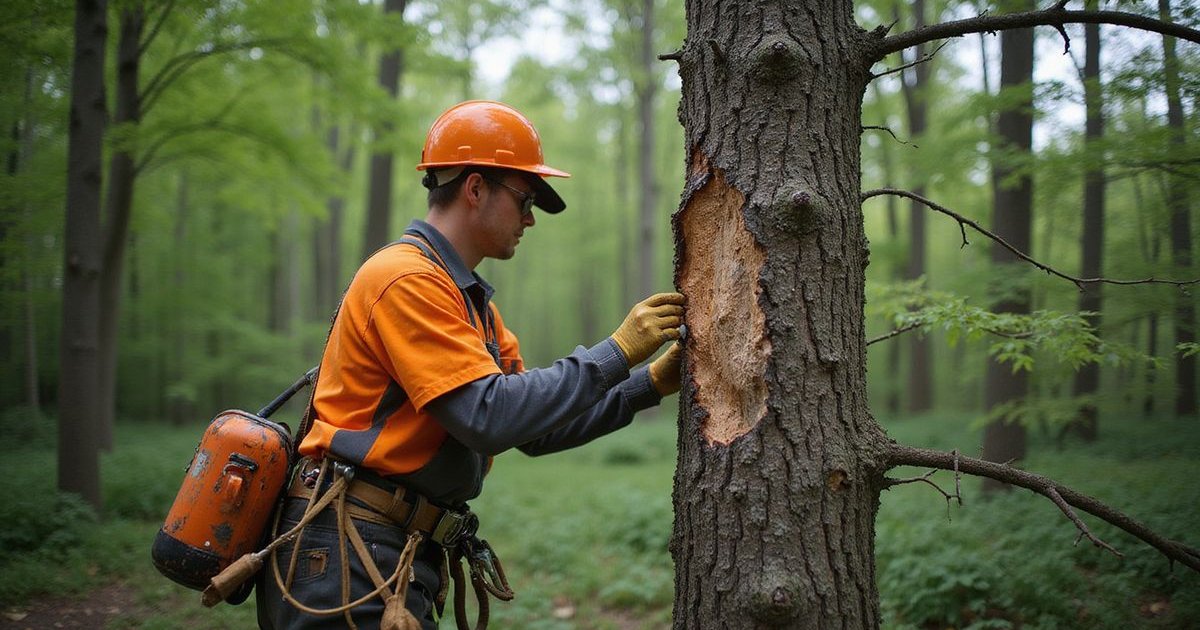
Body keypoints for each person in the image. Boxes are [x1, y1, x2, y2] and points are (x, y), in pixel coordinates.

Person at [256, 100, 685, 629]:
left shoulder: (471, 304)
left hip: (387, 546)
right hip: (348, 547)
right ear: (476, 188)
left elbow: (533, 428)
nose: (530, 218)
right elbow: (489, 418)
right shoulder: (406, 279)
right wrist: (617, 350)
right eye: (524, 199)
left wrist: (646, 384)